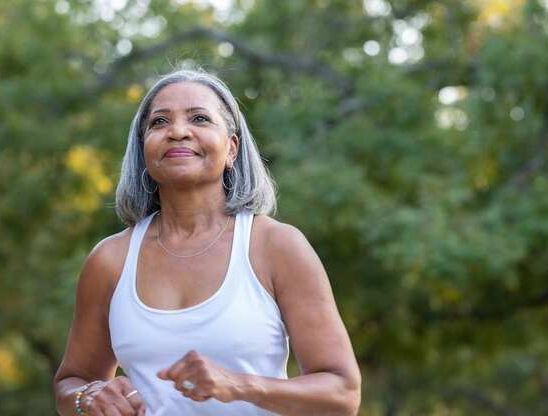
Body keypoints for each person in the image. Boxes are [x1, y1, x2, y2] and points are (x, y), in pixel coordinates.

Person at [53, 68, 361, 416]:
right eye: (159, 122)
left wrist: (238, 385)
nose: (178, 132)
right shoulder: (110, 260)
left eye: (199, 118)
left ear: (231, 148)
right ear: (143, 149)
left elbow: (342, 394)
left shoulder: (276, 246)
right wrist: (89, 396)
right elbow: (72, 382)